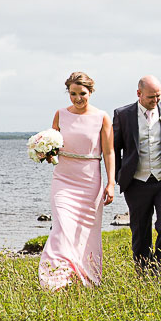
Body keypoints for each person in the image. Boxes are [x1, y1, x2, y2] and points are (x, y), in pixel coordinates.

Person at [39, 71, 115, 290]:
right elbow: (52, 144)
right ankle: (55, 278)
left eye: (82, 93)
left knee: (88, 231)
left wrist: (110, 183)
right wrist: (46, 153)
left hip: (90, 178)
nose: (77, 98)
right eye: (73, 94)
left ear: (90, 92)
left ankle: (88, 278)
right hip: (63, 178)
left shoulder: (101, 117)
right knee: (62, 226)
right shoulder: (60, 114)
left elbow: (109, 152)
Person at [113, 75, 161, 273]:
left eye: (158, 96)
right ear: (139, 94)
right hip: (136, 182)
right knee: (140, 230)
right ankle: (143, 271)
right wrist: (119, 176)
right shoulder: (122, 114)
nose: (155, 101)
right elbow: (115, 148)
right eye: (151, 97)